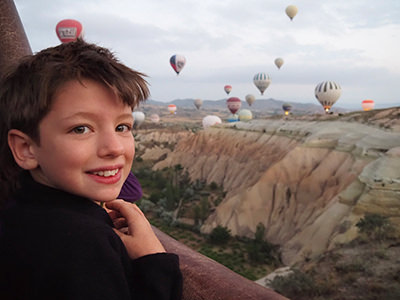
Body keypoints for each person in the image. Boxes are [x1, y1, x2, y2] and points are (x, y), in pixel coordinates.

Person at [0, 39, 182, 300]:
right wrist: (154, 260)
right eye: (81, 129)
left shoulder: (19, 208)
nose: (114, 148)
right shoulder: (82, 244)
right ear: (26, 149)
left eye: (122, 127)